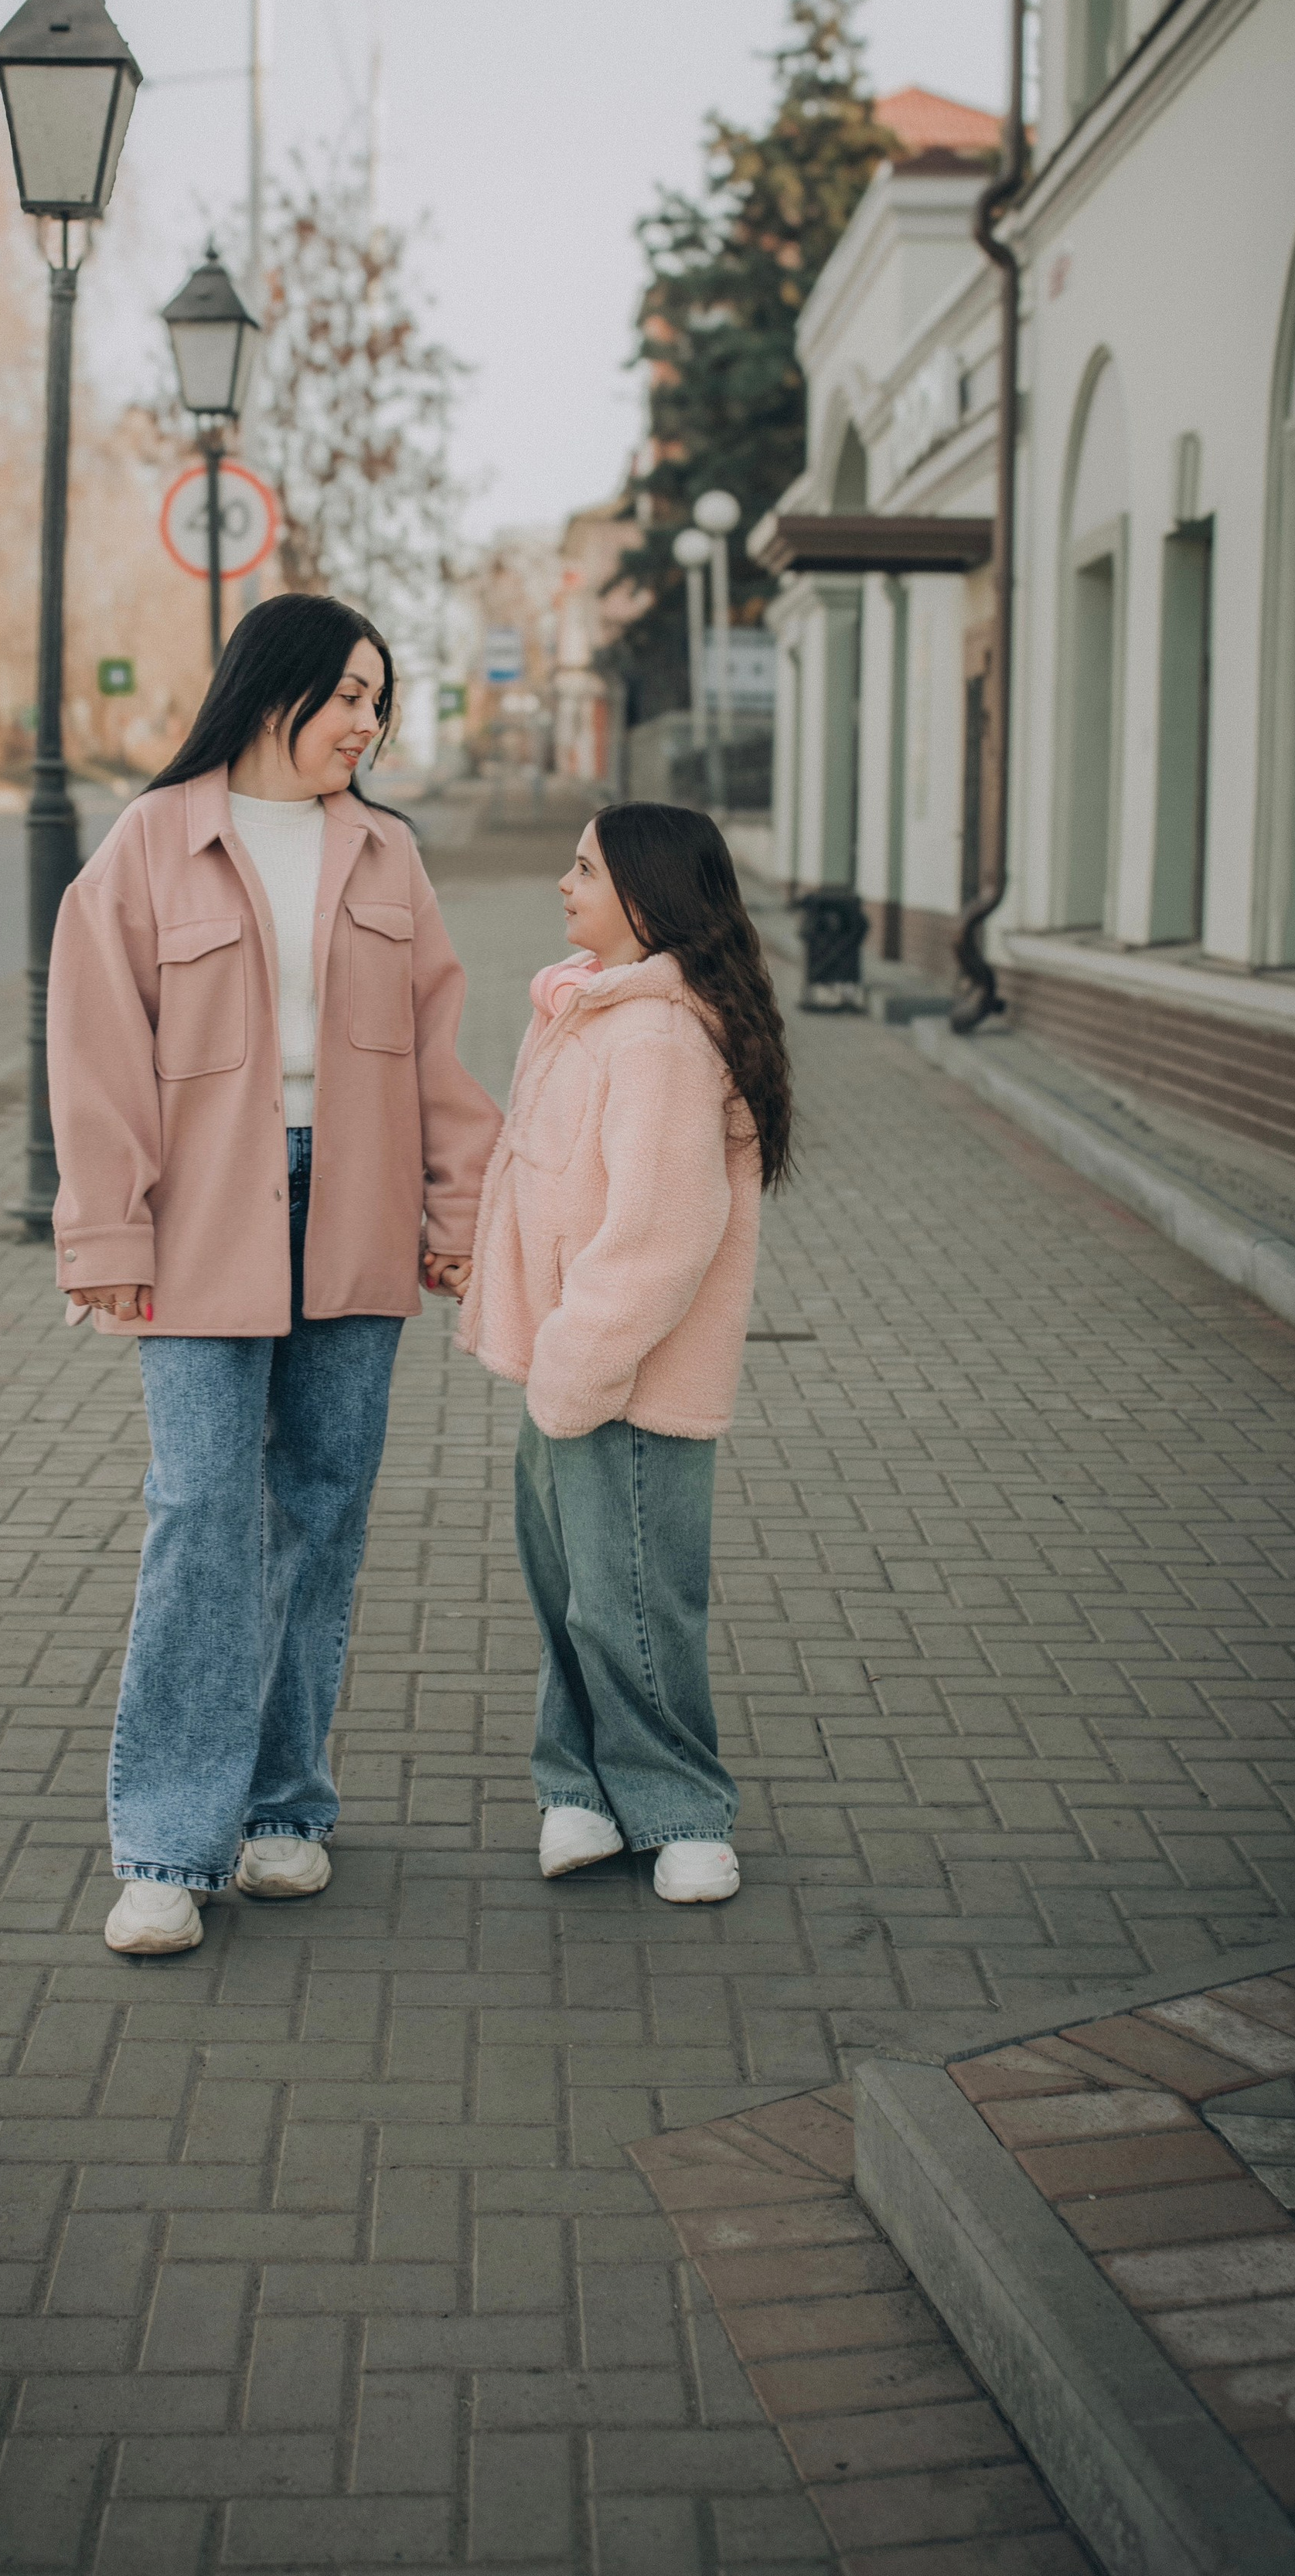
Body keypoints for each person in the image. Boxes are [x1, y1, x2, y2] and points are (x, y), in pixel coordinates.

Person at [46, 594, 499, 1957]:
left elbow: (438, 1058)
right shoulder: (150, 844)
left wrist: (458, 1211)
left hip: (352, 1209)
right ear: (271, 690)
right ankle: (168, 1849)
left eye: (381, 702)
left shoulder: (385, 856)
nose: (367, 723)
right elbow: (96, 1055)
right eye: (349, 696)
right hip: (201, 1218)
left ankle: (285, 1810)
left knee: (321, 1506)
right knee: (200, 1508)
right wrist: (109, 1236)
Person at [458, 802, 792, 1905]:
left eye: (586, 869)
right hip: (569, 1374)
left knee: (635, 1605)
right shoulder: (588, 1011)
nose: (564, 884)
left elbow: (661, 1231)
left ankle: (683, 1809)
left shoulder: (655, 1037)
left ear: (647, 896)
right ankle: (580, 1794)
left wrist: (574, 1366)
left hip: (622, 1382)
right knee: (570, 1599)